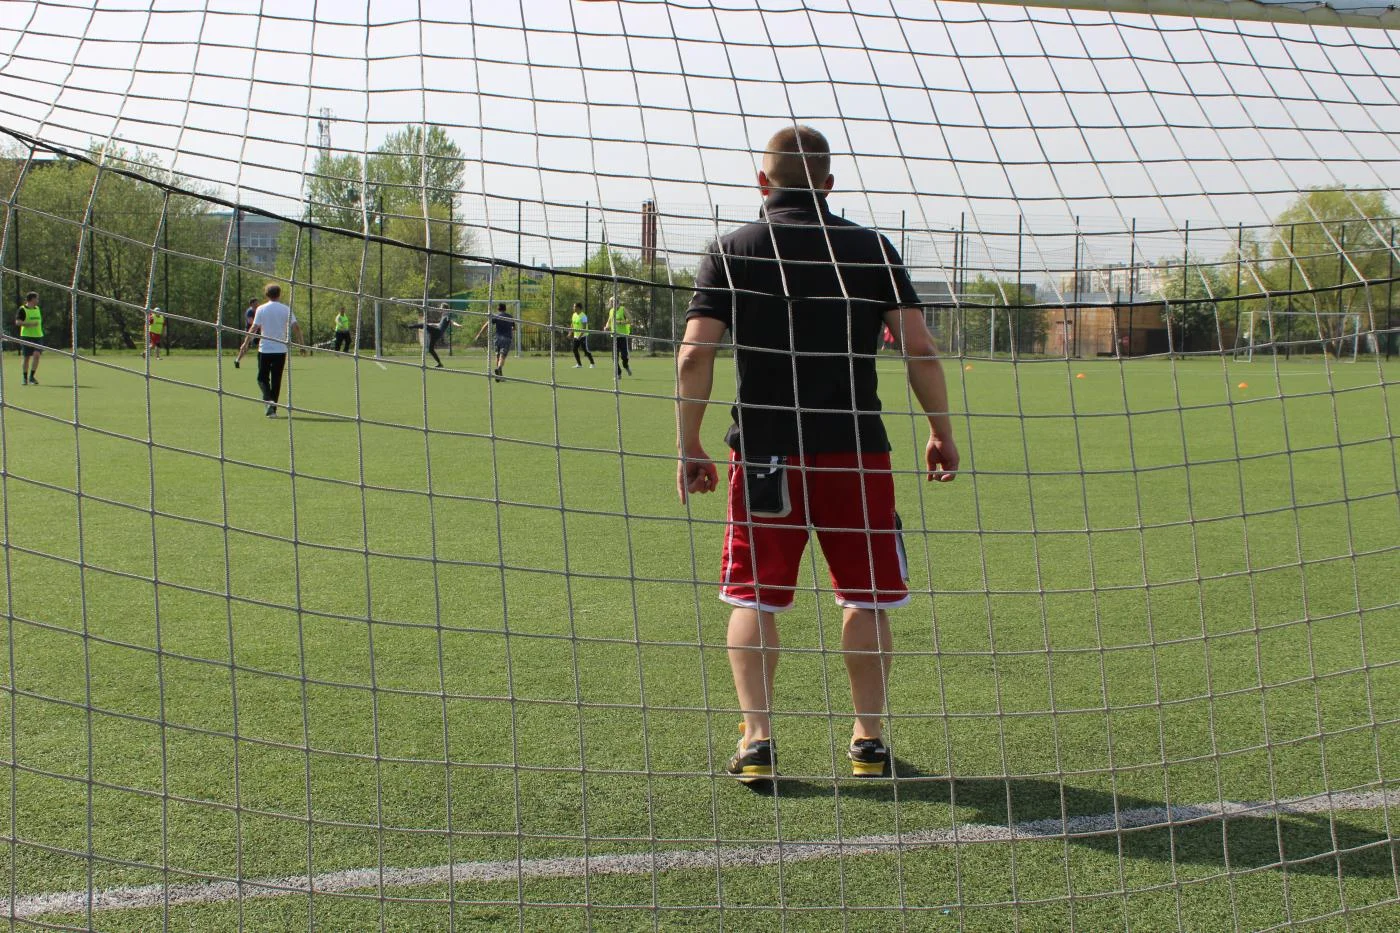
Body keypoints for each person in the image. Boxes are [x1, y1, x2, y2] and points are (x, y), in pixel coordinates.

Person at [675, 125, 959, 784]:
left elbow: (693, 354)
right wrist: (940, 430)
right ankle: (868, 740)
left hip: (766, 454)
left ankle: (757, 741)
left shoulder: (731, 249)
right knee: (867, 597)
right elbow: (919, 346)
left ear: (762, 181)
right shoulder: (871, 248)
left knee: (754, 598)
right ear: (830, 184)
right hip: (855, 454)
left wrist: (689, 443)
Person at [238, 283, 302, 418]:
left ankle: (269, 403)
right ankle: (272, 409)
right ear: (279, 294)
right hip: (280, 350)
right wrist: (301, 345)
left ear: (266, 295)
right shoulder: (286, 309)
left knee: (262, 378)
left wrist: (245, 343)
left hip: (265, 350)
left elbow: (254, 328)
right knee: (276, 380)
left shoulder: (261, 309)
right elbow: (296, 327)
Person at [474, 302, 516, 381]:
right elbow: (514, 328)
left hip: (497, 338)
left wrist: (479, 334)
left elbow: (487, 324)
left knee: (498, 356)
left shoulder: (496, 316)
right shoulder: (510, 317)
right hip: (507, 338)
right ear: (505, 309)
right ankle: (499, 368)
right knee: (502, 356)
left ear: (498, 309)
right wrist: (508, 328)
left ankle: (499, 376)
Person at [14, 291, 43, 386]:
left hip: (38, 336)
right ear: (32, 299)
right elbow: (18, 322)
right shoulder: (22, 309)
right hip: (26, 336)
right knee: (26, 357)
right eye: (36, 298)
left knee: (37, 355)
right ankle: (25, 377)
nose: (38, 300)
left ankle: (32, 377)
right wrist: (30, 324)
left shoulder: (37, 308)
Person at [603, 295, 632, 377]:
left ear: (618, 302)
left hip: (622, 336)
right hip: (614, 337)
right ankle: (618, 373)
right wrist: (606, 327)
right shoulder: (611, 311)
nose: (613, 304)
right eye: (611, 302)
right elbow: (609, 321)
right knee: (614, 357)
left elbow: (630, 320)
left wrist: (620, 322)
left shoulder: (623, 309)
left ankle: (626, 366)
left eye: (614, 302)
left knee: (624, 356)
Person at [234, 296, 260, 369]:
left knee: (261, 345)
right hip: (250, 331)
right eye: (255, 303)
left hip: (258, 331)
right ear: (251, 304)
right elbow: (251, 322)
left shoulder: (258, 310)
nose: (257, 304)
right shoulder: (250, 311)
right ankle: (237, 360)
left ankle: (262, 362)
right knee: (246, 347)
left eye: (257, 303)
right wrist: (260, 325)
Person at [570, 302, 595, 368]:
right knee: (574, 349)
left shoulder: (584, 316)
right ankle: (579, 364)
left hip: (583, 336)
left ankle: (592, 363)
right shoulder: (574, 315)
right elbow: (572, 324)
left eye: (574, 307)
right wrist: (570, 333)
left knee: (585, 351)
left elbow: (584, 328)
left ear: (578, 308)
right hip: (576, 336)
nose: (573, 308)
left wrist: (580, 336)